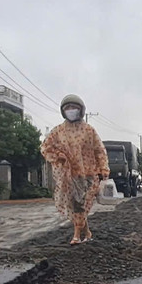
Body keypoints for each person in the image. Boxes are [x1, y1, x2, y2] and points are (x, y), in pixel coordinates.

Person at [41, 94, 109, 244]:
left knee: (82, 204)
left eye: (74, 107)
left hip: (88, 173)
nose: (71, 110)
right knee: (75, 203)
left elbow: (99, 150)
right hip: (69, 174)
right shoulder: (58, 131)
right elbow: (45, 148)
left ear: (81, 110)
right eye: (68, 108)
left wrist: (103, 167)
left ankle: (80, 233)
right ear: (63, 111)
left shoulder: (89, 130)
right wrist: (58, 156)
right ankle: (83, 233)